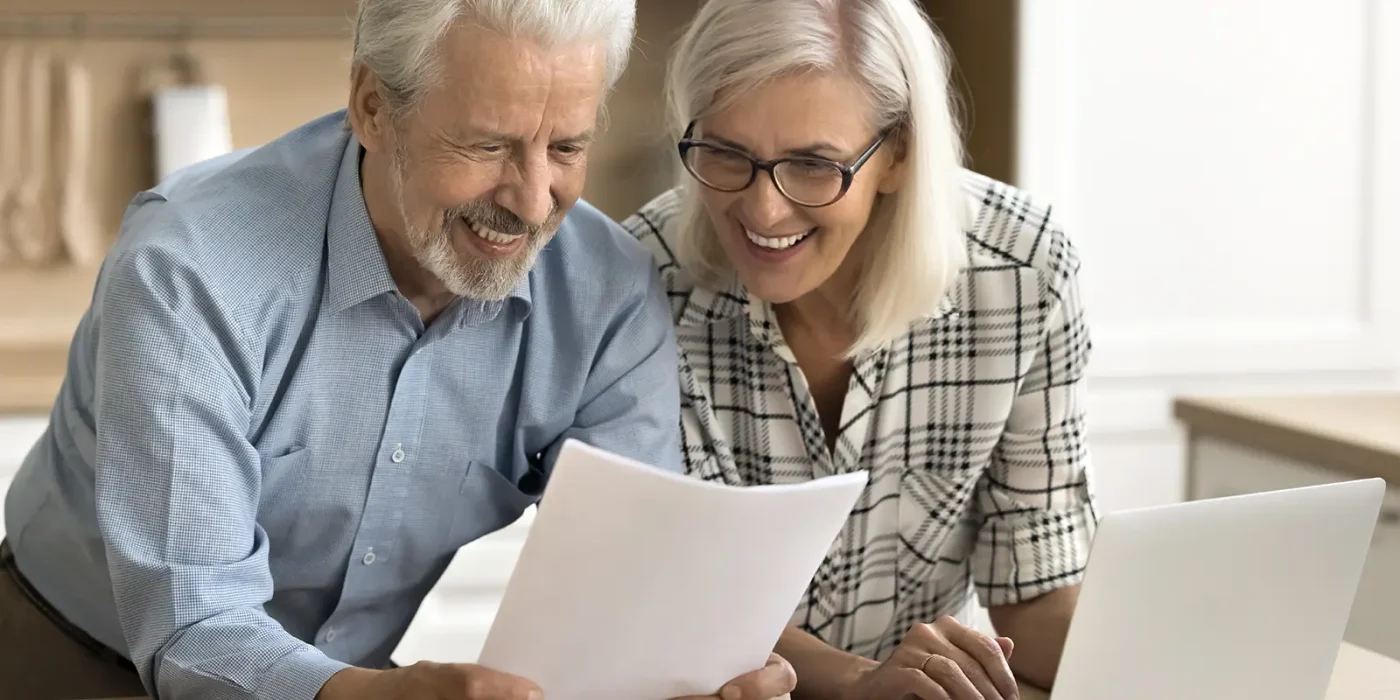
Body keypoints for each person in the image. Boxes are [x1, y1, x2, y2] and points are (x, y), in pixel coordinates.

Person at [0, 2, 796, 699]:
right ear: (373, 105)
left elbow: (637, 573)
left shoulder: (606, 293)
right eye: (488, 145)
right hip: (74, 656)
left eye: (565, 148)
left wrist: (688, 668)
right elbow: (195, 628)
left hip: (354, 679)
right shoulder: (193, 270)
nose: (529, 201)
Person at [623, 0, 1100, 698]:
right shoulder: (637, 286)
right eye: (726, 154)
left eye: (813, 166)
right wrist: (864, 682)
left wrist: (1167, 660)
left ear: (900, 152)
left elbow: (1035, 589)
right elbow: (678, 601)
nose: (763, 211)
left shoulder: (1025, 274)